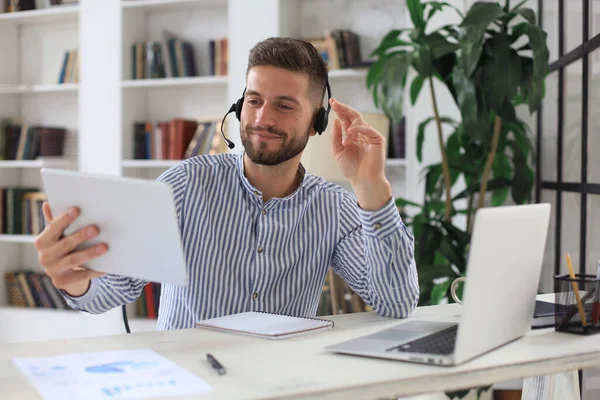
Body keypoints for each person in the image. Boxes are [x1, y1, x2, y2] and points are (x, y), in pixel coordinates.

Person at [35, 37, 419, 331]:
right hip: (187, 385)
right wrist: (74, 282)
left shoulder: (333, 207)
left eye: (284, 106)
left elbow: (396, 301)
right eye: (254, 100)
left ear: (317, 122)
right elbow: (113, 290)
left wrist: (371, 184)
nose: (262, 118)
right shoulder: (184, 185)